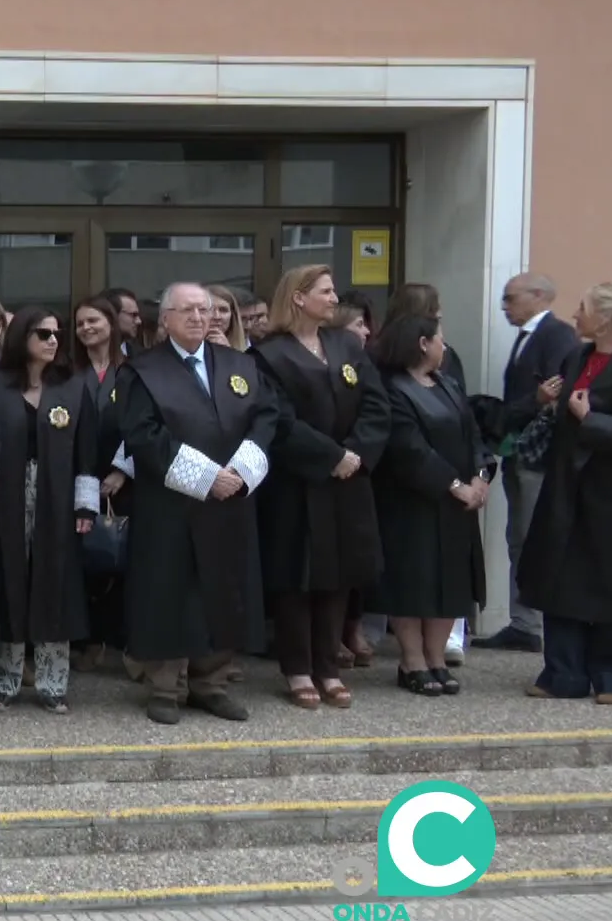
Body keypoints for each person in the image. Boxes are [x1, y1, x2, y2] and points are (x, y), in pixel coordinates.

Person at [115, 283, 278, 725]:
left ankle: (211, 683)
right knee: (170, 593)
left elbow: (267, 416)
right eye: (186, 310)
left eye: (204, 310)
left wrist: (240, 471)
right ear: (165, 318)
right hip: (170, 505)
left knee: (223, 591)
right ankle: (166, 687)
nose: (198, 317)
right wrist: (207, 478)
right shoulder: (142, 371)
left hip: (230, 503)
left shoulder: (239, 364)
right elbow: (142, 433)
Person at [251, 265, 388, 710]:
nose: (334, 299)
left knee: (338, 575)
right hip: (297, 483)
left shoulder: (346, 345)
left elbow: (376, 405)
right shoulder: (268, 355)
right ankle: (297, 669)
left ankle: (328, 668)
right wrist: (330, 457)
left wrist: (356, 454)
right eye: (326, 291)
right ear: (298, 297)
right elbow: (279, 419)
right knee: (296, 576)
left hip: (348, 483)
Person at [518, 279, 612, 705]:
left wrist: (590, 419)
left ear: (607, 318)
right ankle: (563, 673)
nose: (575, 314)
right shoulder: (577, 357)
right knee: (559, 579)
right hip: (565, 489)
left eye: (584, 307)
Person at [0, 307, 98, 713]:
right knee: (8, 581)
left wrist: (86, 505)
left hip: (58, 497)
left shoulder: (72, 386)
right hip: (4, 497)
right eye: (43, 333)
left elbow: (87, 449)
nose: (53, 340)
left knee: (55, 583)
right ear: (21, 337)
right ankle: (5, 680)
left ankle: (52, 682)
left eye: (56, 334)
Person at [369, 315, 491, 696]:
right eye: (441, 339)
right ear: (422, 343)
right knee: (413, 581)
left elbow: (473, 435)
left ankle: (436, 658)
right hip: (411, 503)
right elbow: (409, 449)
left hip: (457, 506)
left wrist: (480, 477)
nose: (445, 346)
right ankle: (412, 660)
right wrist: (453, 485)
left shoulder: (448, 384)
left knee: (451, 583)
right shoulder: (392, 388)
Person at [484, 273, 580, 653]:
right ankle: (523, 621)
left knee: (529, 536)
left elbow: (552, 397)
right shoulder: (530, 336)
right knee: (518, 536)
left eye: (510, 298)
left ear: (538, 296)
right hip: (520, 451)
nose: (504, 306)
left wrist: (520, 409)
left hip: (537, 456)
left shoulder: (556, 335)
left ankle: (530, 622)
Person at [71, 297, 129, 669]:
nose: (87, 328)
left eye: (93, 320)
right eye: (80, 323)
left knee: (120, 559)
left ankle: (121, 641)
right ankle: (88, 641)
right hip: (78, 477)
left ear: (111, 322)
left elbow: (146, 422)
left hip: (124, 481)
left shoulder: (134, 370)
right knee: (85, 561)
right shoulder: (67, 372)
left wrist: (123, 470)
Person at [206, 284, 248, 351]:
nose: (217, 316)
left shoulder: (250, 353)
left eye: (223, 310)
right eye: (210, 310)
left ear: (232, 315)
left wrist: (228, 352)